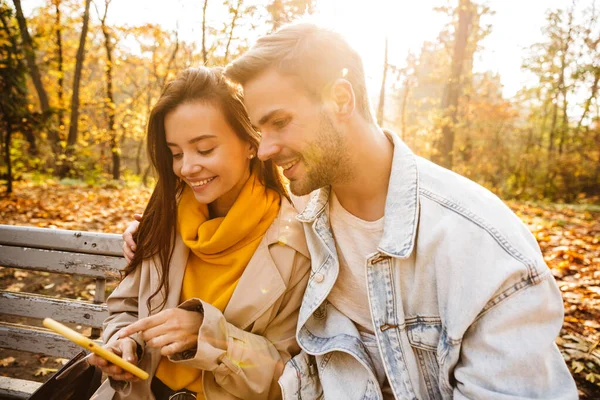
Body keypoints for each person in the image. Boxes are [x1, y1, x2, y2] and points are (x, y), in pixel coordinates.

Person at [124, 24, 578, 399]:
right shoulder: (301, 214)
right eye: (260, 129)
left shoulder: (481, 247)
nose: (264, 150)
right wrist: (148, 234)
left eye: (279, 122)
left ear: (341, 100)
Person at [90, 67, 311, 400]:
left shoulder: (294, 242)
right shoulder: (163, 217)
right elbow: (124, 309)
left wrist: (209, 338)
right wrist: (123, 342)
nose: (187, 167)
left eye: (205, 149)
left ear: (251, 143)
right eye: (176, 153)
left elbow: (287, 377)